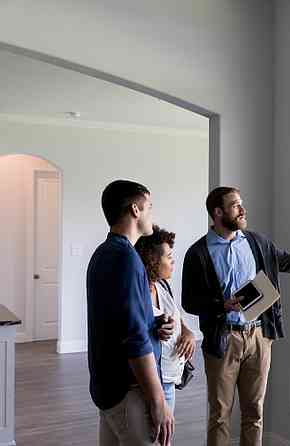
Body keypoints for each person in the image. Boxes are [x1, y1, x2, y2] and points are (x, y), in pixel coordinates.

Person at [182, 186, 290, 446]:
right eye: (235, 205)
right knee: (220, 416)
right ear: (217, 212)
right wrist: (221, 305)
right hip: (223, 340)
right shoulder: (198, 253)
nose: (242, 209)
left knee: (254, 412)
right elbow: (189, 301)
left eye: (241, 203)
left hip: (259, 337)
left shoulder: (257, 242)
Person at [86, 180, 174, 446]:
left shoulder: (103, 253)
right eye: (149, 206)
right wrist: (158, 400)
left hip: (108, 389)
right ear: (135, 210)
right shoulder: (126, 258)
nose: (151, 214)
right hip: (129, 392)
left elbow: (116, 320)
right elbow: (133, 338)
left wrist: (153, 321)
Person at [136, 225, 197, 413]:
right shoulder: (138, 294)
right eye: (168, 257)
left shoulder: (162, 285)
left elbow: (176, 315)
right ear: (152, 260)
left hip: (170, 381)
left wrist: (188, 333)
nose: (173, 262)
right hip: (154, 385)